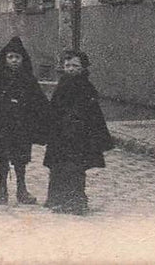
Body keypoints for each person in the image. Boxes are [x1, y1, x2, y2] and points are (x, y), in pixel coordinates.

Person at [43, 50, 114, 215]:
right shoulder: (62, 84)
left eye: (75, 65)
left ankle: (76, 201)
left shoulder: (86, 87)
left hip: (79, 137)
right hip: (61, 136)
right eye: (67, 65)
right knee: (58, 167)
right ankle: (57, 199)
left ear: (83, 68)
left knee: (75, 169)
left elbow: (91, 114)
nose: (71, 69)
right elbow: (54, 109)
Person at [0, 36, 50, 206]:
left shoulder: (28, 79)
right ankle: (2, 189)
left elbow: (39, 101)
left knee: (21, 160)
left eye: (17, 57)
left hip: (22, 127)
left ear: (23, 59)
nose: (14, 61)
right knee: (3, 159)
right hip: (3, 126)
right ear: (4, 59)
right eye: (10, 57)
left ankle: (22, 189)